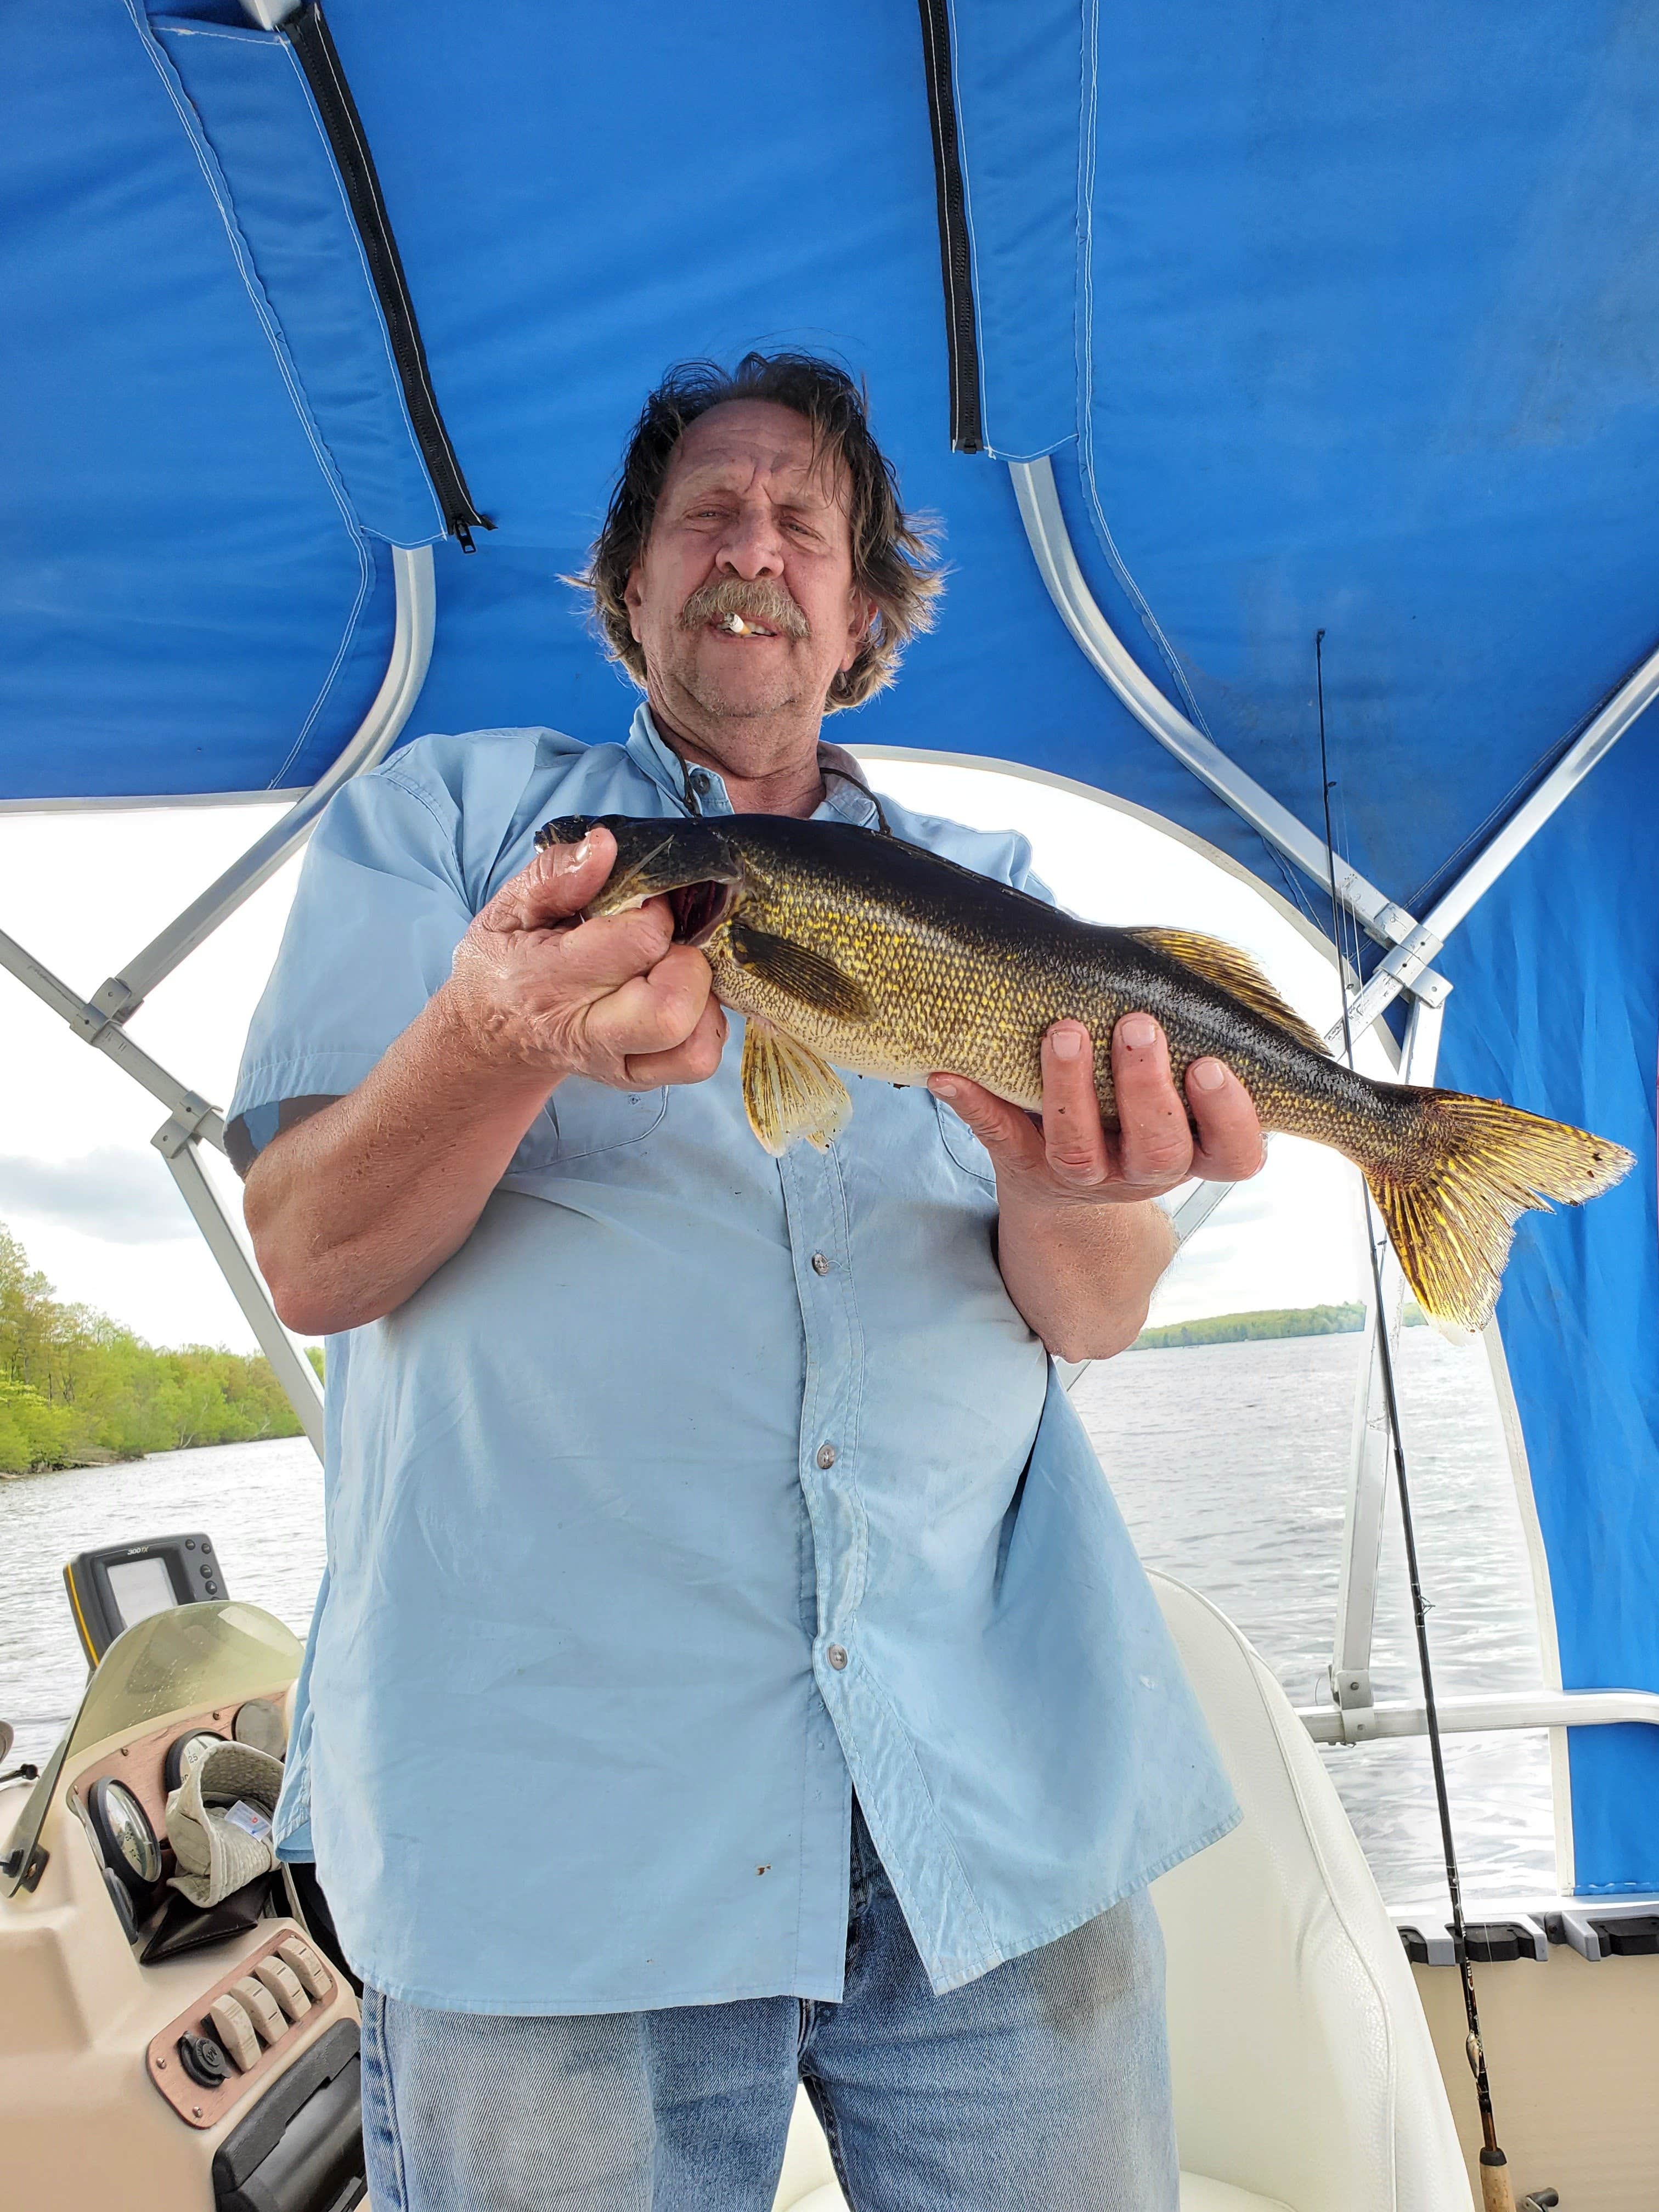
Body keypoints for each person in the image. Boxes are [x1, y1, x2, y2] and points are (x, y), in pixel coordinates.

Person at [230, 351, 1266, 2212]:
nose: (753, 549)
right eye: (706, 512)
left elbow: (1090, 1311)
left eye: (805, 523)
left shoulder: (996, 888)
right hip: (554, 1827)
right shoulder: (458, 829)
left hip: (987, 1800)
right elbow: (311, 1252)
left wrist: (1068, 1171)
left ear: (862, 609)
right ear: (629, 582)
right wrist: (491, 1038)